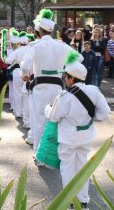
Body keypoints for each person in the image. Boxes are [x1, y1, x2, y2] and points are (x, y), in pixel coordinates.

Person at [46, 50, 110, 208]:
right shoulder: (94, 91)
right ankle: (83, 200)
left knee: (67, 169)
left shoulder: (64, 96)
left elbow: (53, 117)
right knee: (82, 168)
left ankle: (70, 200)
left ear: (72, 78)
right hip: (86, 136)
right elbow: (104, 114)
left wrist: (48, 108)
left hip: (68, 138)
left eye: (65, 76)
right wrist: (89, 118)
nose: (64, 78)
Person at [21, 9, 73, 160]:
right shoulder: (61, 45)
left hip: (40, 87)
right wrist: (64, 70)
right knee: (54, 121)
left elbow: (25, 64)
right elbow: (79, 58)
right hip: (57, 87)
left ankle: (39, 155)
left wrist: (24, 75)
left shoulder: (35, 45)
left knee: (38, 122)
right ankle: (52, 154)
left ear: (39, 30)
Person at [5, 32, 30, 118]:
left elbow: (8, 61)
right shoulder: (31, 50)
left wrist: (6, 56)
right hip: (28, 72)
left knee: (17, 93)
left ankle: (18, 112)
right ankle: (24, 112)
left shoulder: (17, 51)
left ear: (19, 43)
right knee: (26, 93)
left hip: (17, 72)